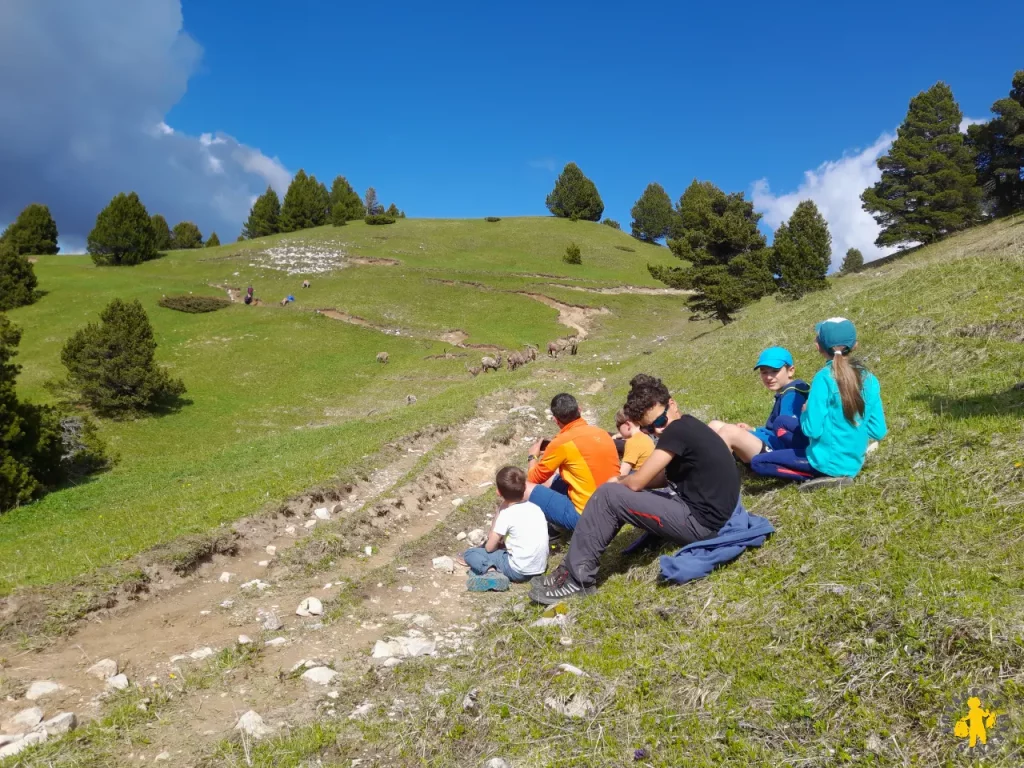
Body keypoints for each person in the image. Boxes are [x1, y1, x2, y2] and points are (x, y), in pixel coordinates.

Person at [529, 375, 741, 604]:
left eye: (660, 421)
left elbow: (638, 483)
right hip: (706, 512)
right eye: (649, 428)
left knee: (609, 496)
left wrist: (620, 483)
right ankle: (570, 570)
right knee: (615, 489)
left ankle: (575, 579)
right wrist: (623, 480)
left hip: (702, 523)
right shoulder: (688, 426)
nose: (658, 431)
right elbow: (661, 477)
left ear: (672, 404)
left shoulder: (677, 430)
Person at [750, 318, 887, 491]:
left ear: (818, 347)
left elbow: (812, 430)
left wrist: (806, 411)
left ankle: (822, 477)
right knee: (781, 422)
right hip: (854, 460)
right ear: (855, 345)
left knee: (758, 463)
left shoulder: (823, 378)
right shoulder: (869, 378)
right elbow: (878, 431)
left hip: (826, 461)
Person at [526, 393, 620, 533]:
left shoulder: (561, 442)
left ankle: (548, 531)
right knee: (553, 478)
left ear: (556, 420)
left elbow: (533, 478)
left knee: (526, 487)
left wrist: (532, 456)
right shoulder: (600, 432)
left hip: (590, 518)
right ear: (579, 409)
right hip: (616, 506)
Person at [708, 347, 809, 464]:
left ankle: (713, 473)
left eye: (775, 371)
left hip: (777, 452)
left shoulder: (792, 396)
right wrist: (754, 430)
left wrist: (756, 434)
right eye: (764, 372)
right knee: (715, 425)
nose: (769, 377)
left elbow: (786, 436)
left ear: (790, 370)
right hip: (771, 443)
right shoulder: (788, 391)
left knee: (729, 431)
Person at [460, 466, 548, 590]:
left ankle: (492, 573)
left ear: (499, 492)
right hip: (539, 568)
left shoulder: (507, 514)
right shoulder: (536, 508)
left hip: (518, 571)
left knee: (470, 553)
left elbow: (490, 548)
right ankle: (480, 573)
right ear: (525, 488)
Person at [614, 410, 655, 476]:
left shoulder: (632, 442)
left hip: (642, 480)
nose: (618, 431)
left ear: (627, 424)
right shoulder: (645, 436)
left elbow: (622, 474)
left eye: (618, 427)